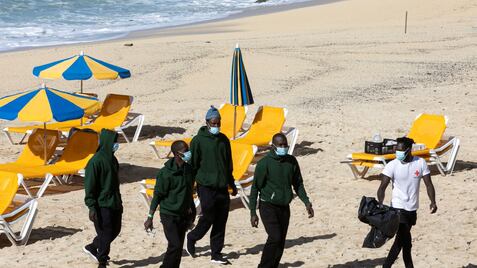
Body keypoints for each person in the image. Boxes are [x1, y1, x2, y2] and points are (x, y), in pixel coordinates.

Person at [249, 133, 314, 268]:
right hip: (268, 206)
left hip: (284, 206)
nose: (283, 147)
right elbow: (255, 188)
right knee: (275, 237)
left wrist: (306, 202)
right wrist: (253, 213)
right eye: (280, 145)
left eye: (285, 145)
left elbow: (298, 184)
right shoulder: (264, 164)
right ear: (273, 146)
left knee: (281, 241)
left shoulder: (291, 161)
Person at [186, 106, 238, 265]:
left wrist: (232, 184)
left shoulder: (224, 140)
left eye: (218, 123)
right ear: (207, 123)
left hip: (222, 186)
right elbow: (193, 165)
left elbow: (228, 164)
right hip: (205, 186)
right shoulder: (198, 141)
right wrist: (191, 186)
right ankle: (192, 237)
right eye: (213, 123)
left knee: (221, 220)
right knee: (208, 216)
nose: (216, 126)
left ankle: (216, 253)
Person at [377, 137, 437, 268]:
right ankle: (386, 266)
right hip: (397, 209)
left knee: (406, 243)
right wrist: (380, 203)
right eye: (396, 149)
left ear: (409, 150)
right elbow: (382, 187)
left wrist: (433, 201)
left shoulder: (420, 163)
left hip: (412, 209)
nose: (397, 152)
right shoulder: (392, 165)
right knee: (400, 241)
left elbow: (428, 184)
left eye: (400, 150)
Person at [144, 140, 196, 268]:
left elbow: (189, 192)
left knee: (177, 249)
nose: (189, 152)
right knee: (175, 245)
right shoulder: (165, 173)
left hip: (183, 214)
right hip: (168, 215)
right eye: (185, 150)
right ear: (177, 154)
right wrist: (150, 217)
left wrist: (192, 213)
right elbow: (158, 196)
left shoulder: (189, 170)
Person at [83, 129, 123, 267]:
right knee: (106, 232)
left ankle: (93, 247)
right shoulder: (95, 162)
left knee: (116, 230)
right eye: (115, 141)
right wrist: (91, 206)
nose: (116, 144)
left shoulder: (113, 160)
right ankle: (102, 260)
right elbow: (90, 186)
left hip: (115, 202)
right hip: (102, 204)